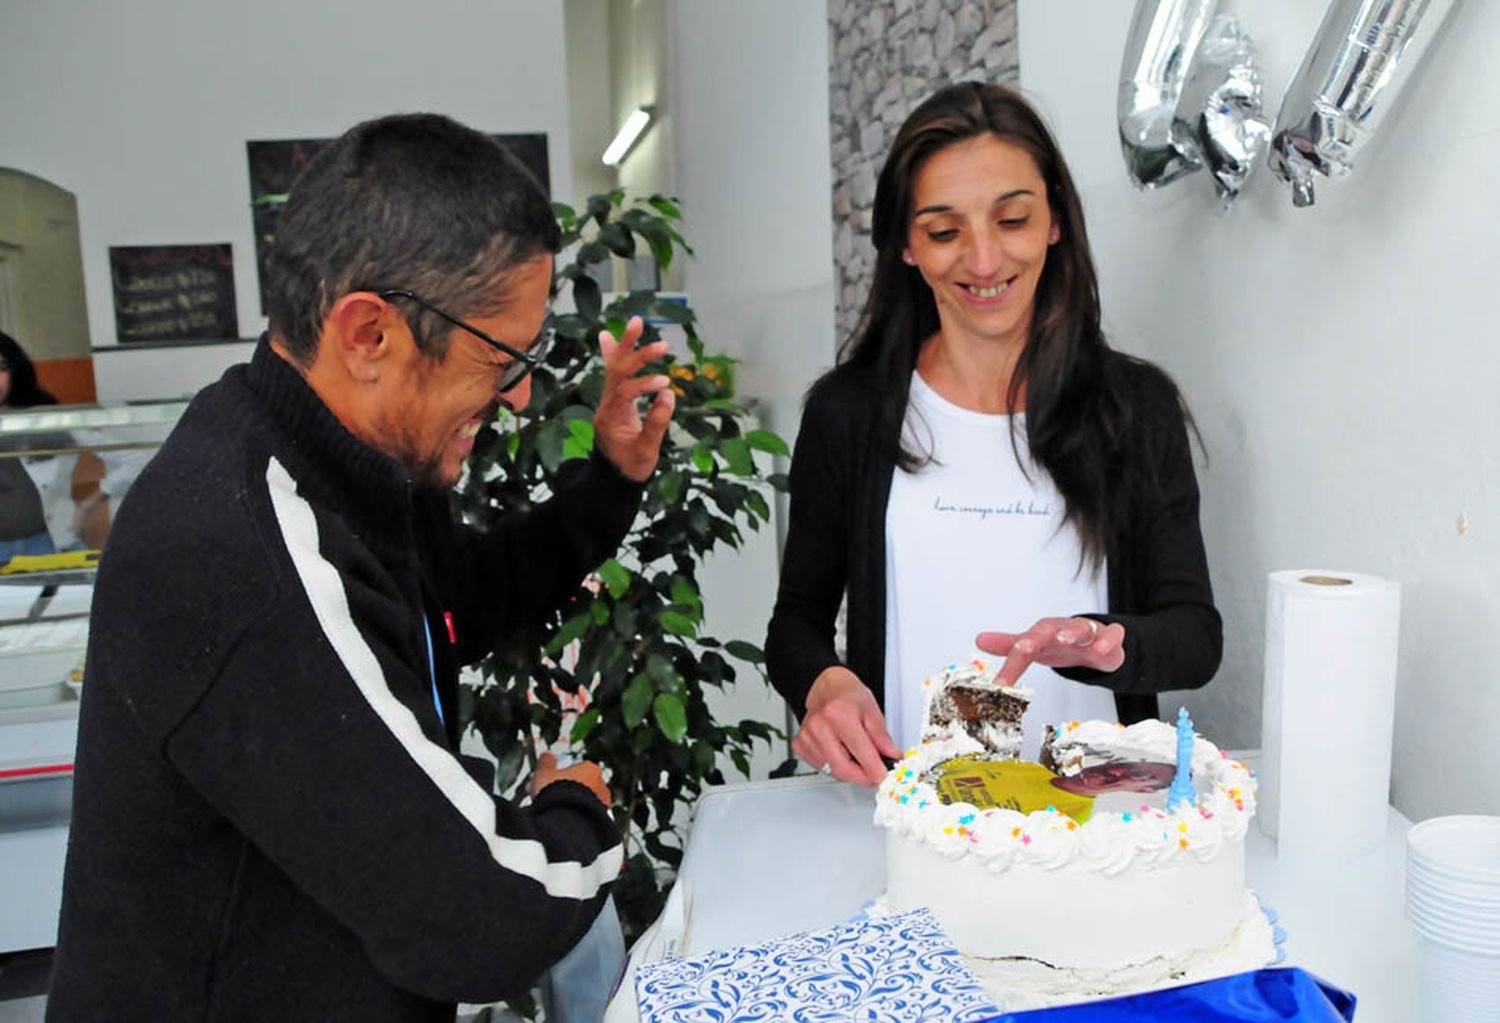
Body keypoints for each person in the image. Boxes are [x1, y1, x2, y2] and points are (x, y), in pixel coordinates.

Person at [47, 113, 675, 1021]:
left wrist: (613, 479)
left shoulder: (350, 466)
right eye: (502, 358)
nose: (522, 394)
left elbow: (460, 604)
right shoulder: (244, 549)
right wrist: (575, 809)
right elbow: (476, 916)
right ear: (369, 332)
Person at [766, 82, 1221, 786]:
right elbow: (796, 622)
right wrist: (824, 682)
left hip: (1093, 820)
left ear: (1054, 223)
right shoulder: (850, 414)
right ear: (908, 248)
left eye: (1011, 219)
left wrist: (1104, 643)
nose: (983, 261)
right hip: (907, 817)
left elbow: (1195, 636)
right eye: (944, 232)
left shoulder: (1135, 407)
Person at [0, 330, 62, 560]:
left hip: (44, 542)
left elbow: (130, 458)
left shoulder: (43, 418)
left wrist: (96, 499)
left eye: (1, 368)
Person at [1050, 760, 1176, 798]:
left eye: (1137, 775)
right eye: (1129, 766)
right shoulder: (1040, 769)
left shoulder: (1073, 819)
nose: (1116, 771)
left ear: (1142, 790)